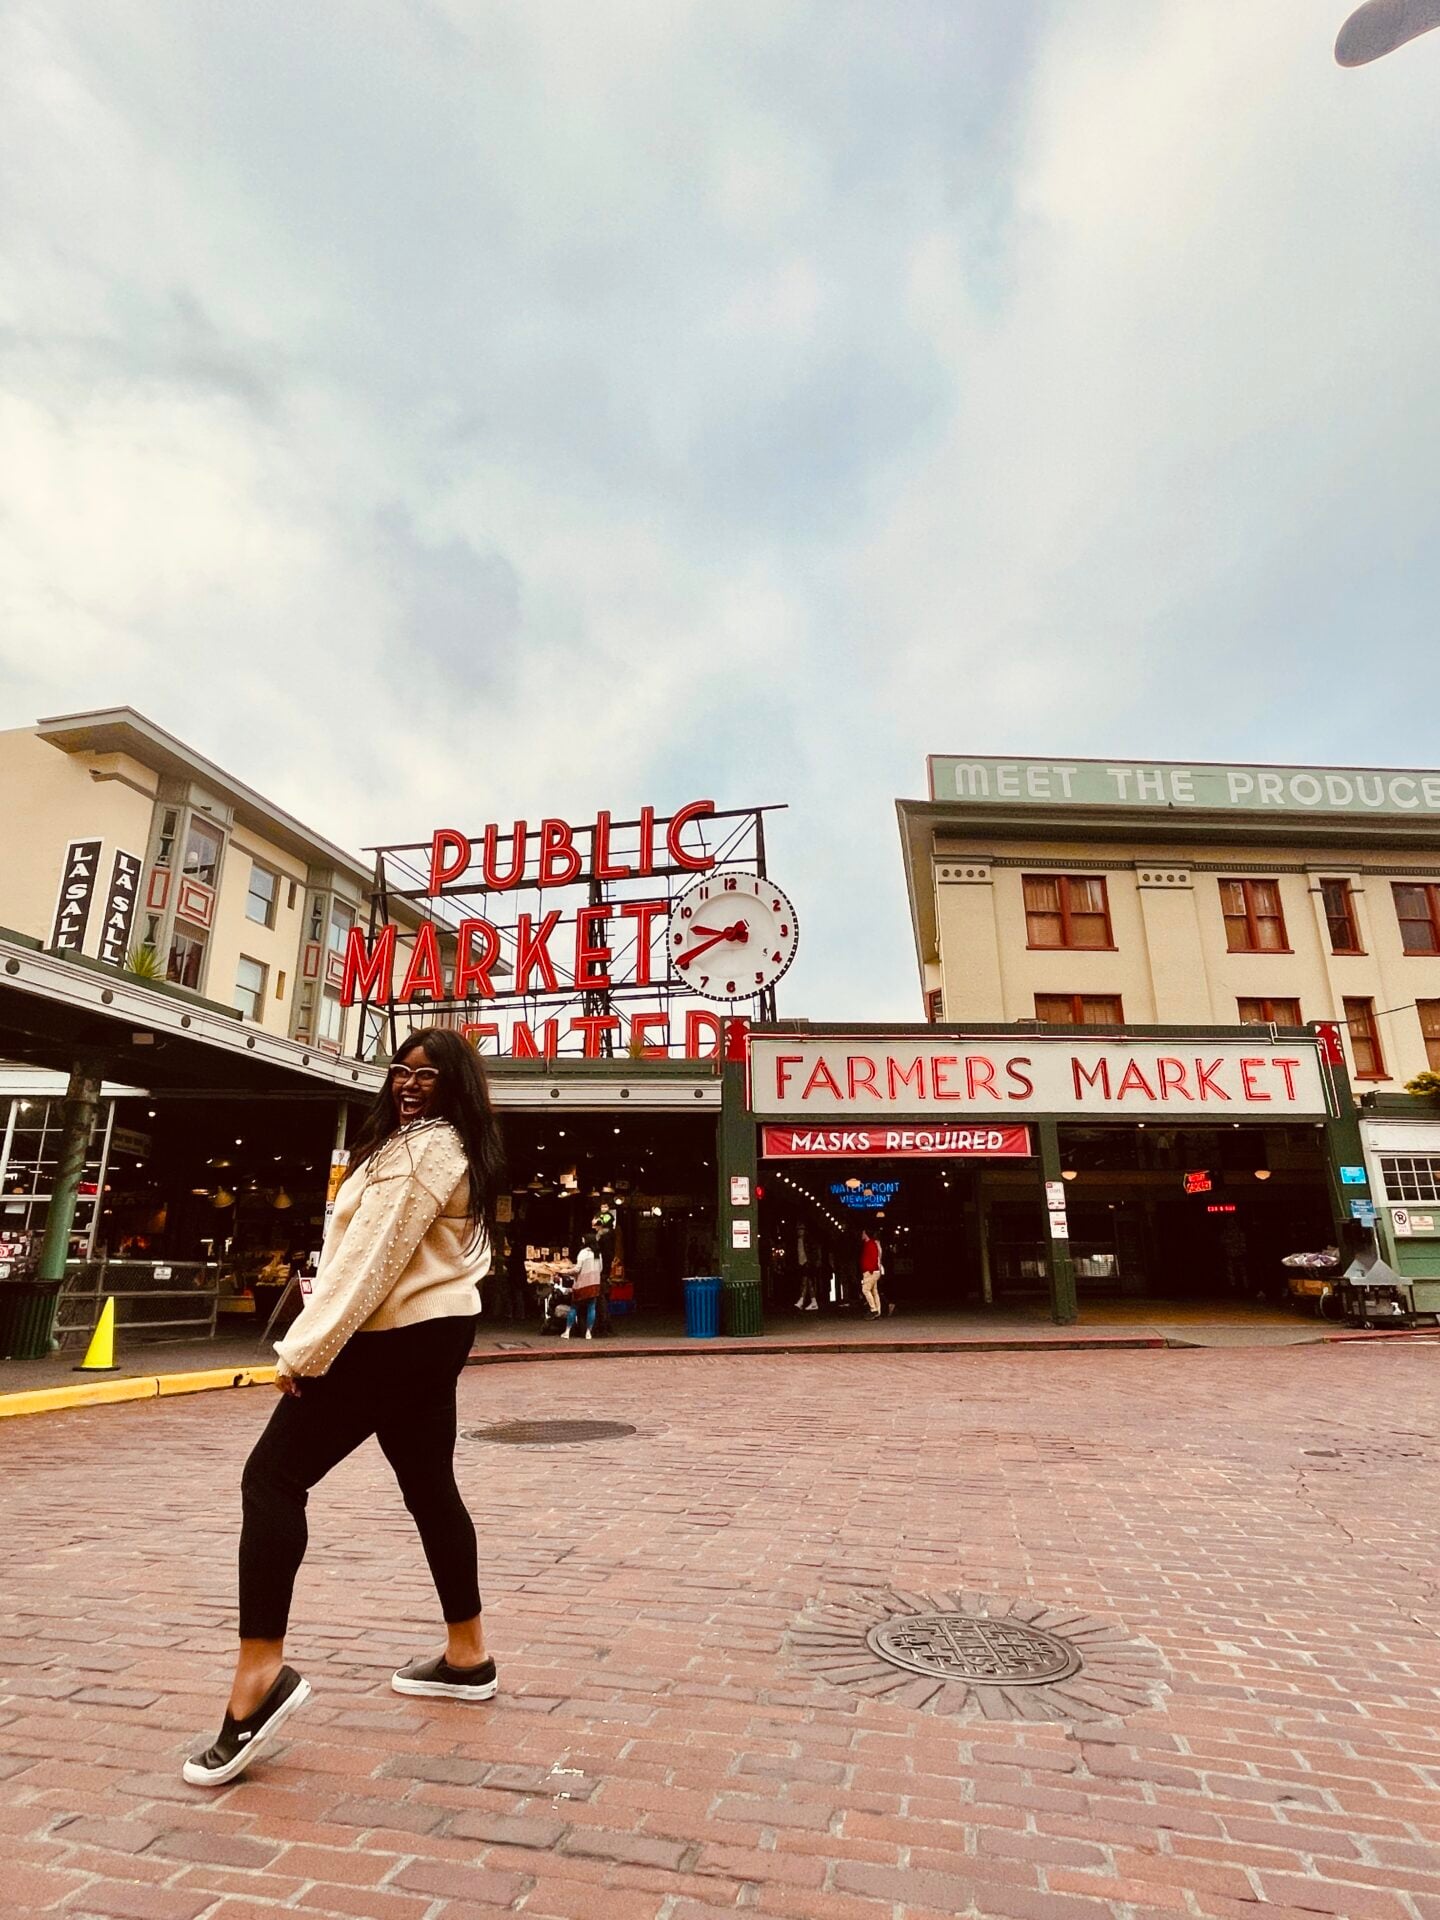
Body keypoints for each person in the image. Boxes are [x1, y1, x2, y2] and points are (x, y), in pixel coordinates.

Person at [182, 1027, 505, 1788]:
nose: (408, 1083)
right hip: (430, 1331)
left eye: (427, 1074)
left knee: (271, 1480)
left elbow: (371, 1259)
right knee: (430, 1489)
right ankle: (467, 1655)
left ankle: (260, 1681)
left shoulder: (426, 1149)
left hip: (393, 1333)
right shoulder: (433, 1146)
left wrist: (306, 1348)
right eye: (400, 1071)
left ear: (455, 1085)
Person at [563, 1232, 603, 1340]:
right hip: (594, 1284)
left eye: (583, 1239)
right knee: (591, 1308)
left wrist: (565, 1271)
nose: (582, 1241)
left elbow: (577, 1269)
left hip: (582, 1284)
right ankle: (588, 1332)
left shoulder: (583, 1253)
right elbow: (600, 1268)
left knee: (574, 1307)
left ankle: (567, 1331)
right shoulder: (597, 1253)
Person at [794, 1227, 820, 1312]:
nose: (800, 1231)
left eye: (801, 1229)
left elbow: (812, 1251)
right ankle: (813, 1302)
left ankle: (801, 1300)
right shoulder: (800, 1240)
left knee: (805, 1282)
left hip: (807, 1263)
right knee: (809, 1283)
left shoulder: (807, 1240)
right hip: (802, 1263)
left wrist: (811, 1261)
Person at [860, 1227, 884, 1318]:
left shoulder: (870, 1244)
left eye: (863, 1233)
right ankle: (878, 1311)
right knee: (874, 1291)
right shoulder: (873, 1243)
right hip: (874, 1270)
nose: (862, 1235)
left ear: (866, 1234)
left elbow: (873, 1257)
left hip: (870, 1271)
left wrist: (869, 1269)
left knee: (865, 1289)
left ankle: (873, 1309)